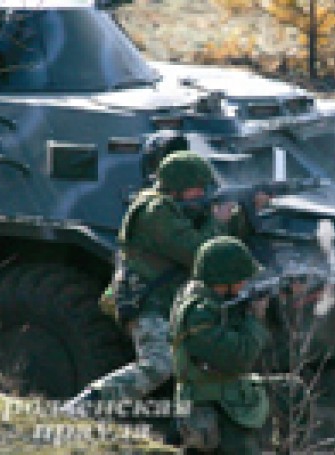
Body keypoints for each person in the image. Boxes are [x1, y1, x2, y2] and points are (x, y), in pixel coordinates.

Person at [62, 144, 240, 412]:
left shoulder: (171, 207)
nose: (203, 194)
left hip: (167, 302)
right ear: (178, 189)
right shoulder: (154, 212)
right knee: (158, 365)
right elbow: (200, 254)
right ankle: (84, 407)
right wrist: (218, 221)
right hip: (147, 303)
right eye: (198, 189)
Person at [171, 236, 271, 454]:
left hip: (222, 391)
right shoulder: (198, 316)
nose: (245, 283)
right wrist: (256, 317)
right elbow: (240, 358)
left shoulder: (209, 298)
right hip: (209, 403)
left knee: (293, 389)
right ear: (224, 280)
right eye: (241, 278)